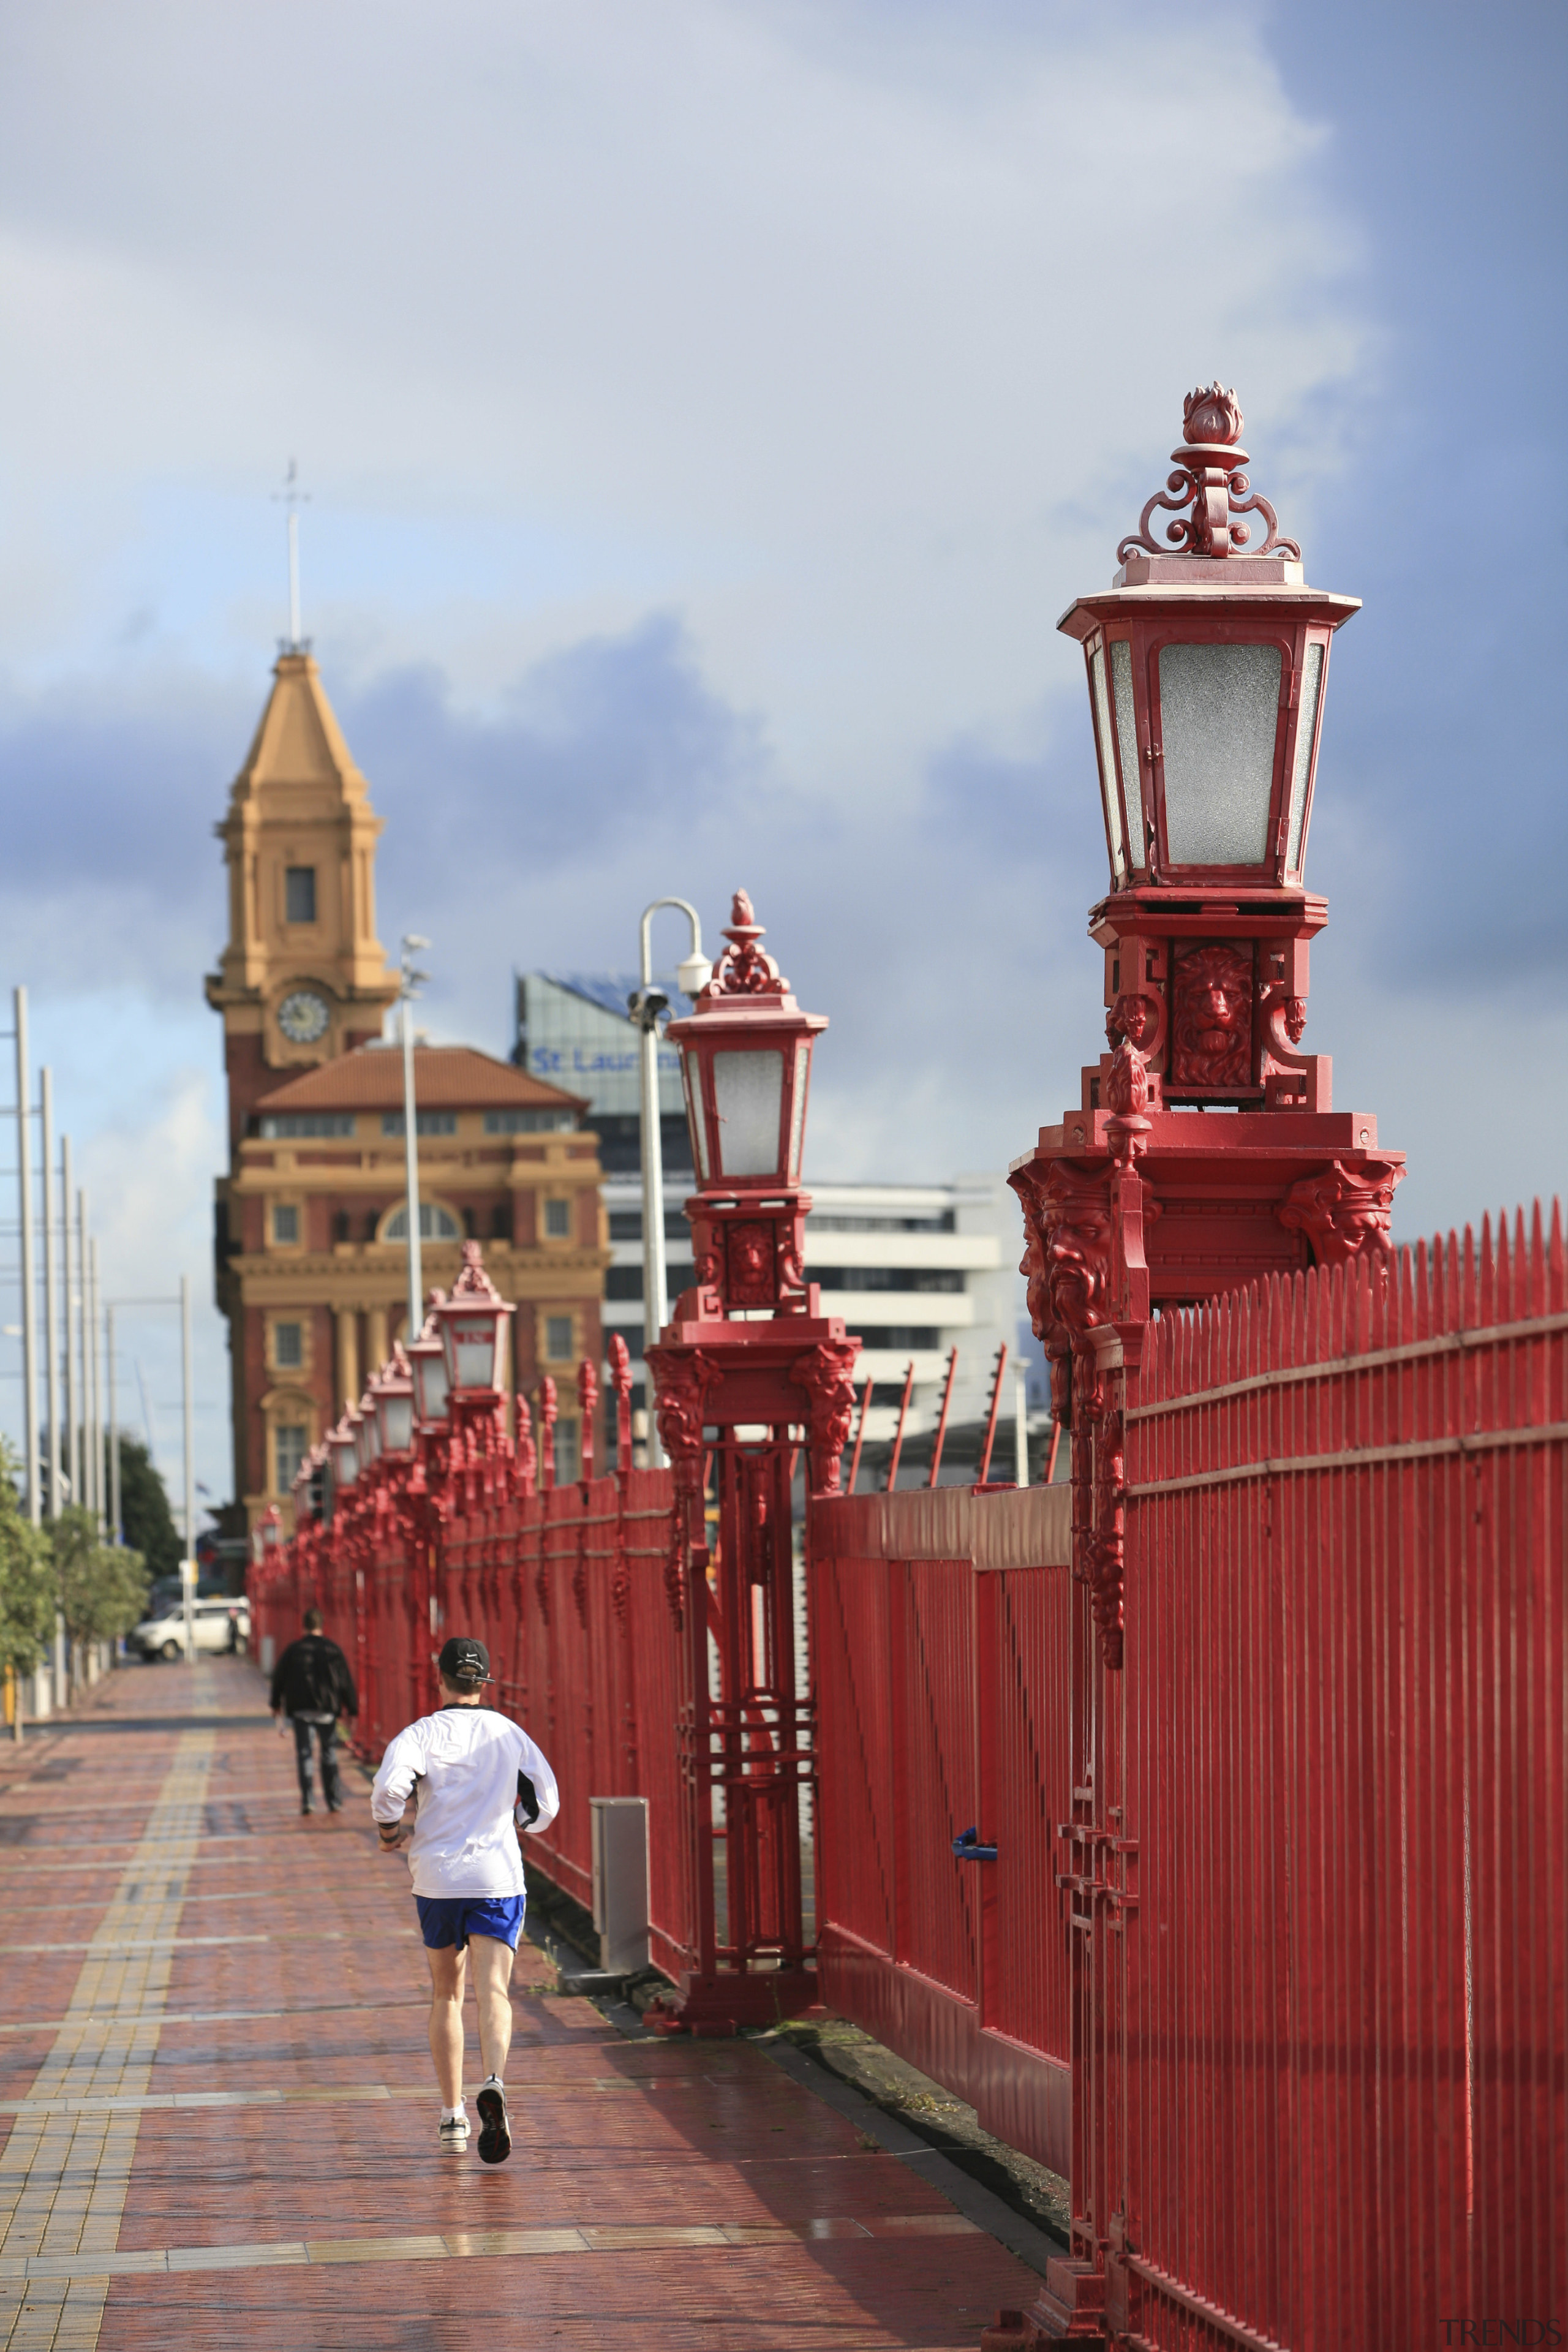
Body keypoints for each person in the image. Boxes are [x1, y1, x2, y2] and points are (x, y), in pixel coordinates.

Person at [371, 1635, 559, 2162]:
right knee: (494, 1990)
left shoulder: (422, 1734)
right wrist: (520, 1822)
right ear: (484, 1682)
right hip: (498, 1878)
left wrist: (390, 1834)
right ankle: (494, 2080)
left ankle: (453, 2115)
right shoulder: (509, 1733)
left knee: (445, 1995)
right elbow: (547, 1802)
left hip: (437, 1879)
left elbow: (388, 1791)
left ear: (441, 1678)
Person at [269, 1607, 358, 1815]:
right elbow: (345, 1680)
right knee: (329, 1754)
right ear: (322, 1625)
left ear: (304, 1626)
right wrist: (352, 1709)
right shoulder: (332, 1650)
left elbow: (279, 1678)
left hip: (301, 1710)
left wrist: (276, 1704)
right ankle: (333, 1800)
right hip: (327, 1710)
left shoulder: (293, 1650)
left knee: (305, 1754)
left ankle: (308, 1800)